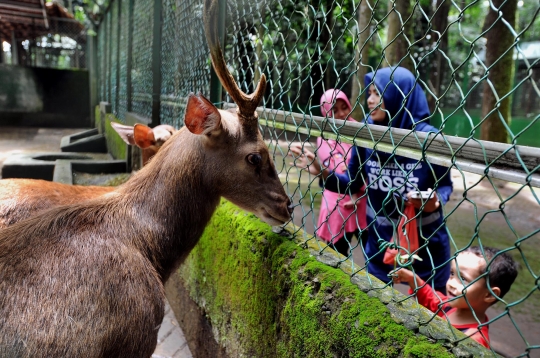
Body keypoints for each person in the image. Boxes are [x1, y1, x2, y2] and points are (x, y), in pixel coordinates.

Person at [290, 67, 453, 292]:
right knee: (378, 300)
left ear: (399, 94)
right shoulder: (366, 134)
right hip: (380, 241)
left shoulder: (430, 138)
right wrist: (321, 172)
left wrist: (433, 201)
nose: (370, 100)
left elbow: (444, 186)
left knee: (432, 308)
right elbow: (352, 183)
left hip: (426, 239)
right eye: (369, 93)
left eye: (378, 93)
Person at [393, 246, 519, 348]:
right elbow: (431, 298)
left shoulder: (475, 340)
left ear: (489, 294)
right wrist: (413, 279)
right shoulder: (450, 306)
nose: (451, 283)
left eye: (463, 279)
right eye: (452, 274)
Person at [315, 89, 367, 257]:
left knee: (374, 255)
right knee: (337, 255)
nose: (341, 114)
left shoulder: (359, 129)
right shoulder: (324, 137)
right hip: (337, 202)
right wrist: (355, 166)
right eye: (334, 111)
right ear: (326, 113)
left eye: (344, 107)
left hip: (361, 200)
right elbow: (336, 171)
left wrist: (352, 170)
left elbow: (365, 169)